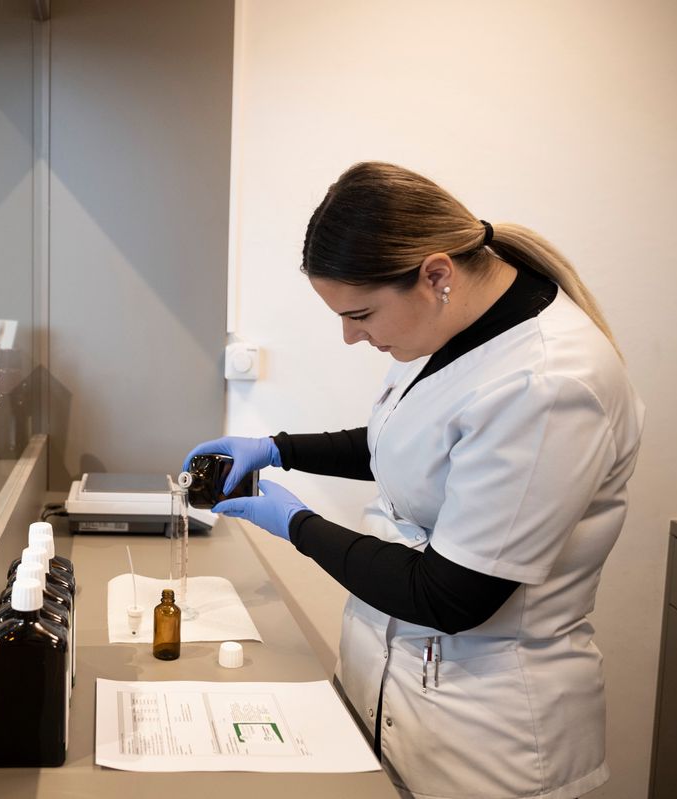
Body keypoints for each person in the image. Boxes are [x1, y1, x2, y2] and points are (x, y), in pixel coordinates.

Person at [184, 162, 644, 799]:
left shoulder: (548, 384)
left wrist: (297, 524)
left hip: (488, 742)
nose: (350, 336)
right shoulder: (458, 330)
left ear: (435, 275)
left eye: (362, 314)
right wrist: (275, 448)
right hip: (400, 699)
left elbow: (449, 596)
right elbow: (402, 447)